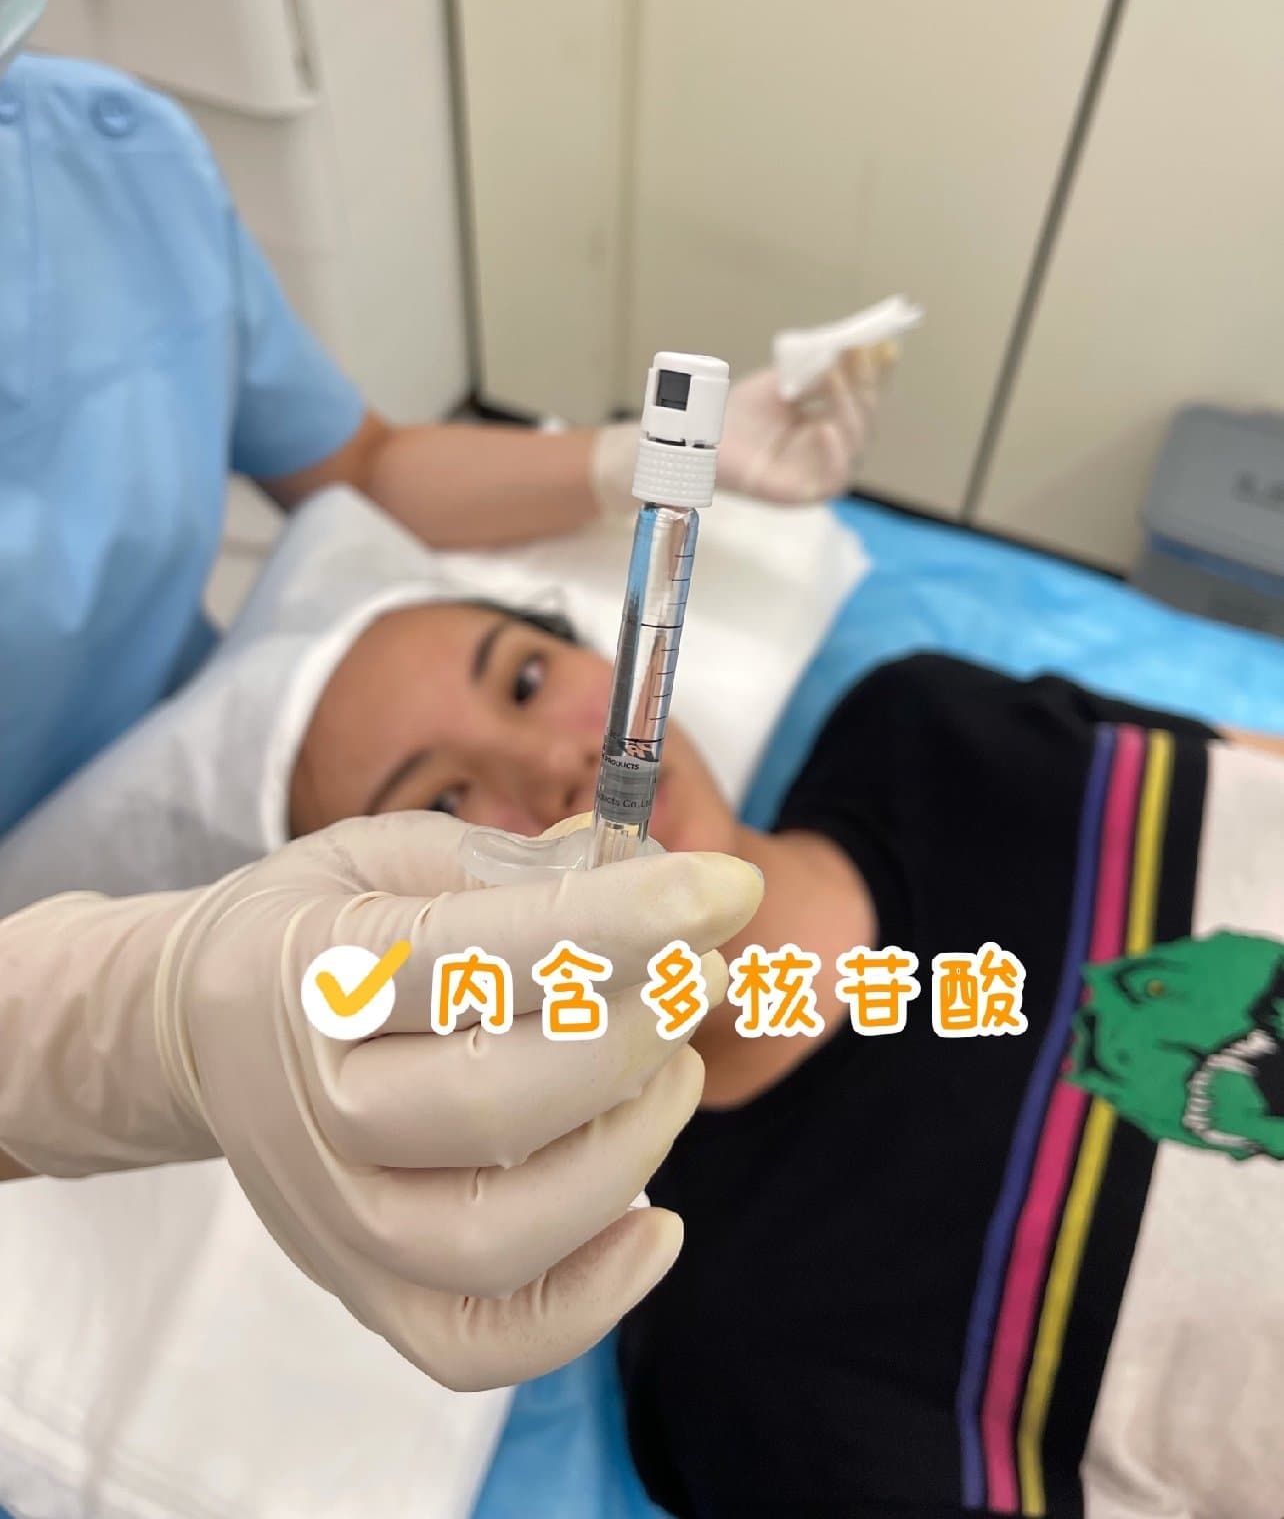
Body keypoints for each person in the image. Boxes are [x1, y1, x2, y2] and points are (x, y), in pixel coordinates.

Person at [0, 0, 775, 1392]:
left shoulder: (111, 154)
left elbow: (354, 465)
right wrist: (92, 1041)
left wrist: (619, 461)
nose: (567, 772)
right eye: (445, 795)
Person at [279, 596, 1284, 1514]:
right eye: (446, 805)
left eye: (527, 677)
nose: (555, 762)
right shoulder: (731, 1350)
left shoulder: (924, 727)